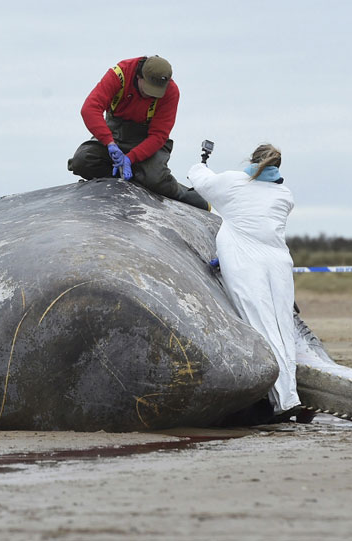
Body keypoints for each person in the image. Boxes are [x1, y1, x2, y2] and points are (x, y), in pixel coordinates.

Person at [187, 144, 300, 415]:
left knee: (260, 324)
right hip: (278, 262)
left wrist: (200, 164)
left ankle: (283, 401)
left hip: (243, 260)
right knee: (284, 327)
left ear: (251, 160)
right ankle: (290, 393)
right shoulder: (285, 195)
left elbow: (200, 179)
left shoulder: (232, 182)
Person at [67, 55, 210, 211]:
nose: (150, 95)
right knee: (82, 161)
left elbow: (159, 135)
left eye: (156, 92)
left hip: (146, 140)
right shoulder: (120, 74)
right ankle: (135, 177)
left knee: (155, 179)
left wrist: (131, 158)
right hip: (114, 134)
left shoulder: (171, 91)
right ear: (139, 76)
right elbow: (89, 109)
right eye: (148, 89)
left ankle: (197, 199)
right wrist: (109, 143)